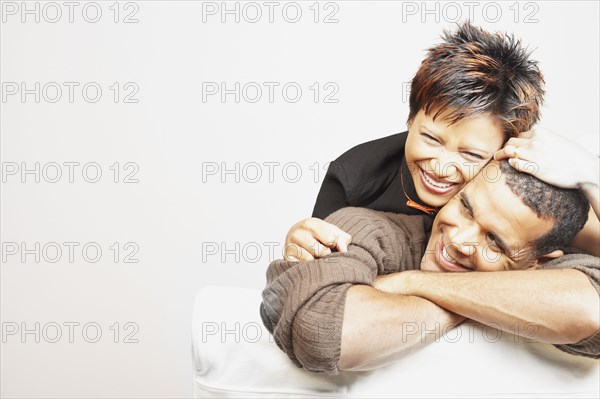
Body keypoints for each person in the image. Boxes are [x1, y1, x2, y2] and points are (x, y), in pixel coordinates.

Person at [283, 22, 599, 262]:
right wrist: (301, 240)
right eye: (431, 139)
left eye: (472, 154)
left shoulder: (520, 185)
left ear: (505, 150)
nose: (442, 167)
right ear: (411, 119)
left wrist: (589, 173)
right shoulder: (356, 175)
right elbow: (318, 264)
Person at [260, 160, 600, 375]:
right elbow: (326, 335)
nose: (458, 240)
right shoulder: (366, 228)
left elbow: (590, 312)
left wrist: (412, 282)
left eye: (494, 240)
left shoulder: (561, 267)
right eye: (465, 207)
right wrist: (488, 302)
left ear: (538, 263)